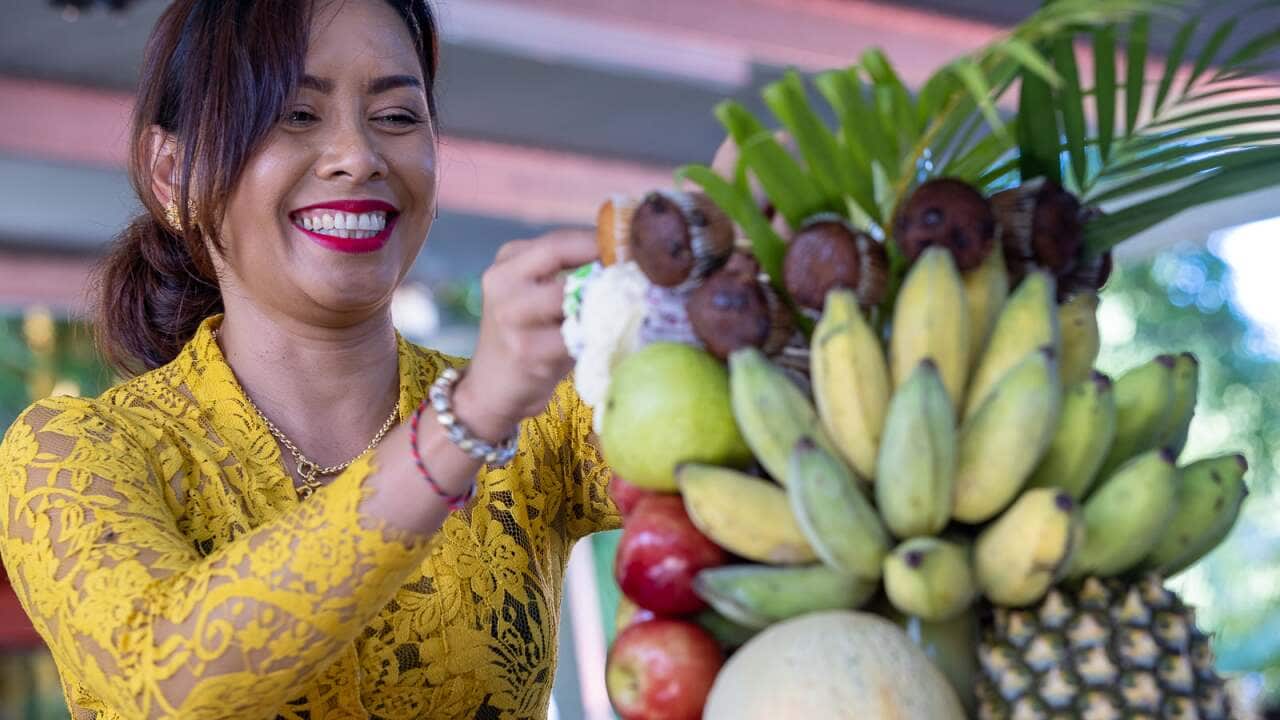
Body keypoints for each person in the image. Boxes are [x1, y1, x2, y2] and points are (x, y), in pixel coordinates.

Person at [0, 0, 620, 717]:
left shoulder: (542, 423)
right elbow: (168, 678)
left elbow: (722, 448)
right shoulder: (75, 453)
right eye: (295, 114)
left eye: (396, 116)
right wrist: (465, 423)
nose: (359, 156)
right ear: (173, 173)